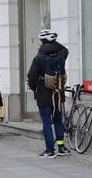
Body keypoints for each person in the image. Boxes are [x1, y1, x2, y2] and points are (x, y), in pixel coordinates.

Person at [27, 30, 70, 158]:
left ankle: (50, 150)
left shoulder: (39, 57)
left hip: (43, 94)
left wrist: (35, 88)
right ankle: (61, 148)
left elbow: (32, 76)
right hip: (58, 93)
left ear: (42, 42)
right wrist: (54, 43)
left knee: (46, 122)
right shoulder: (62, 54)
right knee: (58, 120)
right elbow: (65, 48)